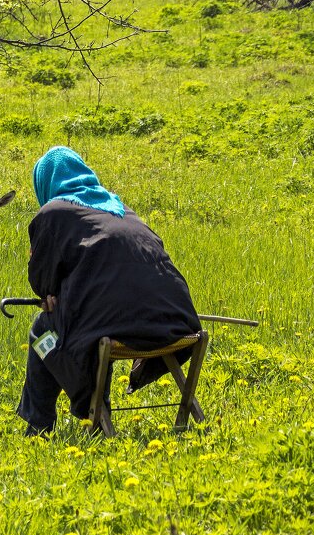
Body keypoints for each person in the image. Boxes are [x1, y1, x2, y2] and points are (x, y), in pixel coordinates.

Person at [16, 146, 200, 435]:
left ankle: (46, 422)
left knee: (43, 331)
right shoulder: (122, 209)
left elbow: (43, 284)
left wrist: (53, 293)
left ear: (45, 182)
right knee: (95, 318)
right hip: (176, 325)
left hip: (114, 328)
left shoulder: (53, 212)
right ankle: (91, 407)